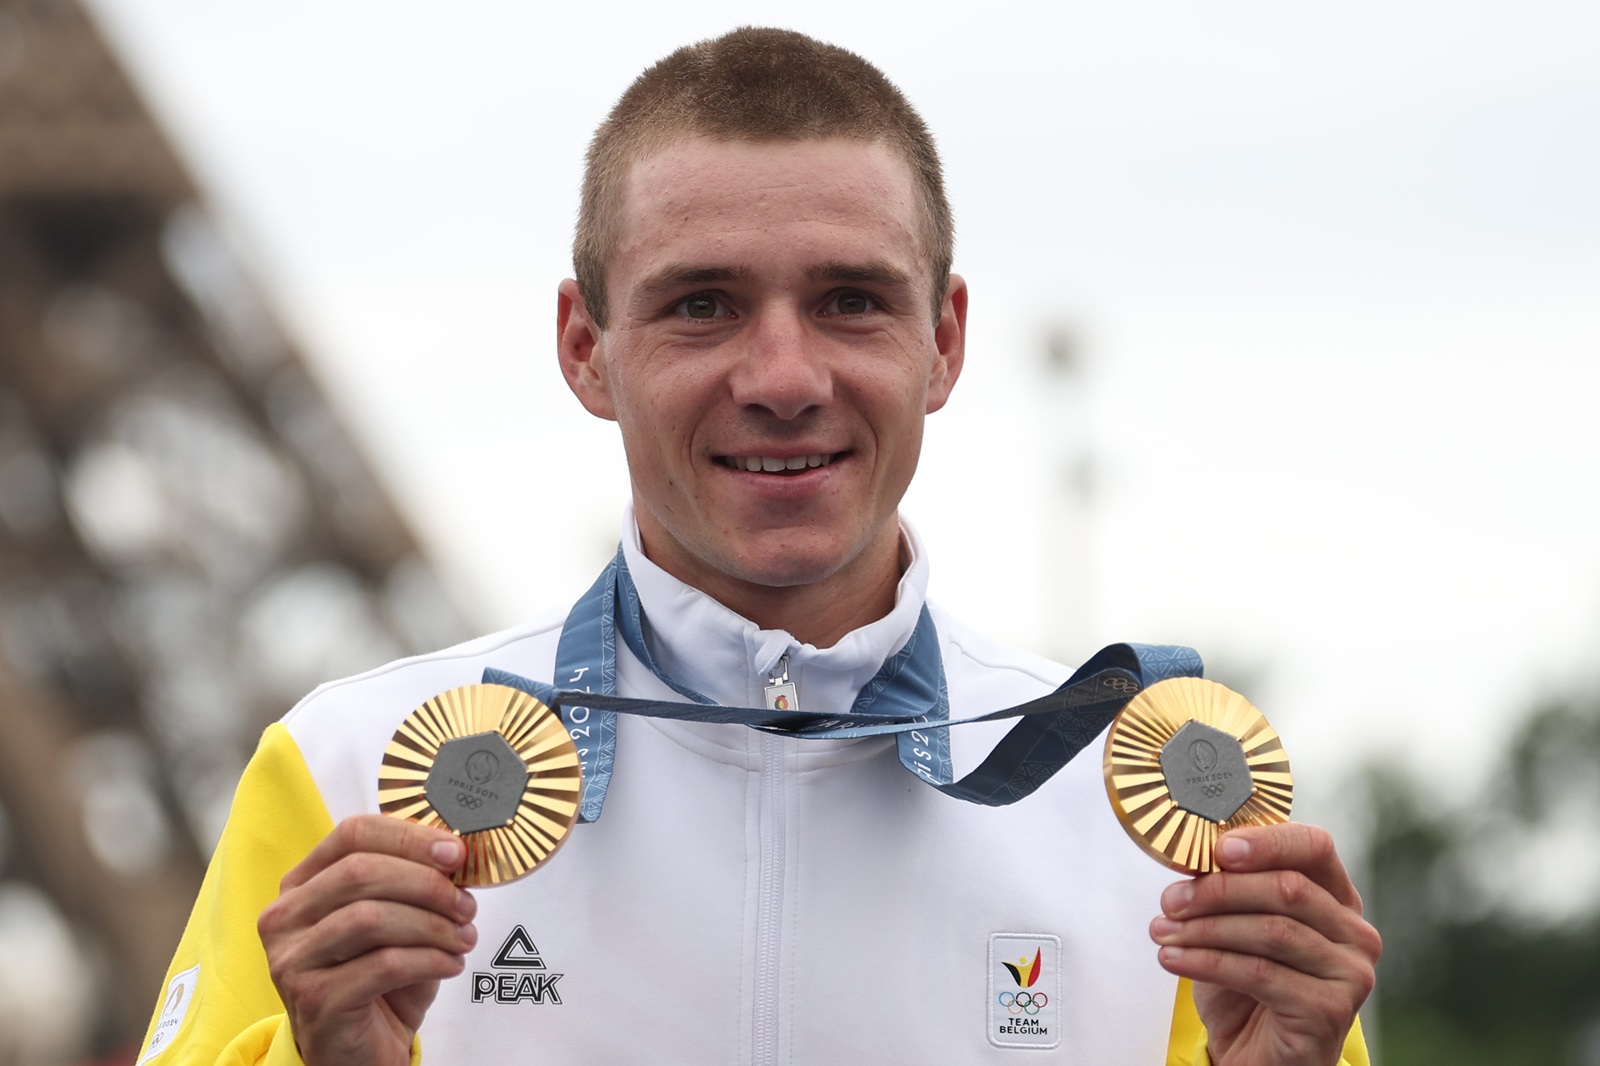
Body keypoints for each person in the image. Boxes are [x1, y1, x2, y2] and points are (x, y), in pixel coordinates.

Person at [139, 27, 1378, 1066]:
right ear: (586, 347)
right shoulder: (344, 773)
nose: (783, 377)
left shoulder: (1146, 809)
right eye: (703, 303)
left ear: (943, 340)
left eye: (850, 299)